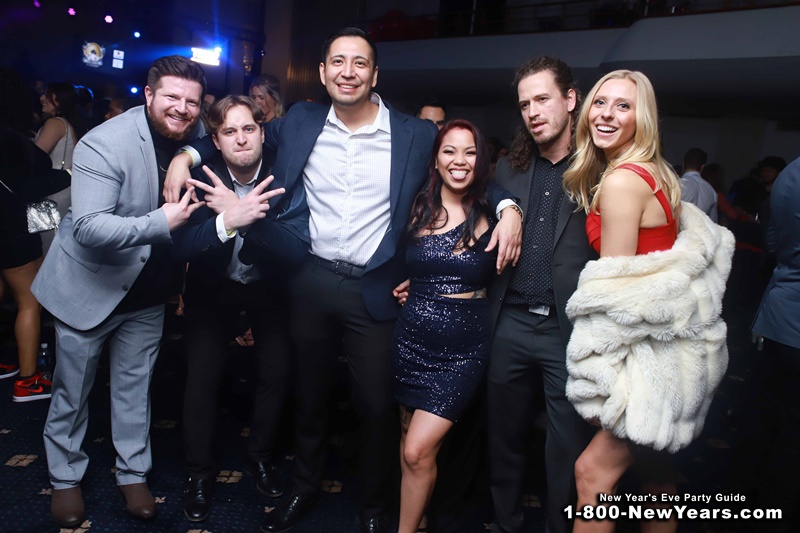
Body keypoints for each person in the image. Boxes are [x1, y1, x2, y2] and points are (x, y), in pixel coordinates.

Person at [165, 27, 521, 533]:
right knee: (308, 396)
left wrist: (508, 207)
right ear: (322, 72)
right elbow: (232, 133)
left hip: (373, 286)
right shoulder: (300, 120)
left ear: (374, 74)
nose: (347, 72)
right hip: (309, 279)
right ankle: (305, 487)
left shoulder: (415, 134)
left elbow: (468, 168)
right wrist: (186, 156)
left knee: (375, 406)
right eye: (337, 62)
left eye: (359, 63)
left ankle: (373, 507)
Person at [30, 55, 208, 528]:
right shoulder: (105, 142)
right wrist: (160, 222)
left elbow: (214, 139)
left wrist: (186, 157)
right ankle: (64, 478)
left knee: (134, 391)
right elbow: (88, 227)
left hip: (147, 294)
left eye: (192, 102)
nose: (182, 108)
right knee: (72, 393)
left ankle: (133, 474)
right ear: (148, 95)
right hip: (90, 288)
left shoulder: (192, 136)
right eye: (171, 97)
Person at [562, 70, 733, 533]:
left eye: (623, 106)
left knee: (591, 474)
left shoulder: (621, 181)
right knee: (657, 479)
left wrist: (597, 376)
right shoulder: (655, 171)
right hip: (677, 351)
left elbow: (617, 294)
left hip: (652, 363)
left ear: (643, 118)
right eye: (601, 103)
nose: (607, 115)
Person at [172, 95, 295, 522]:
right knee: (201, 377)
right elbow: (180, 246)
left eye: (248, 129)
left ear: (263, 133)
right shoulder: (200, 176)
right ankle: (199, 473)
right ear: (216, 141)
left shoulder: (287, 172)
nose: (240, 139)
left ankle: (259, 457)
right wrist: (227, 221)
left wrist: (251, 219)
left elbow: (296, 249)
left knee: (277, 372)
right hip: (213, 287)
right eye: (229, 131)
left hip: (270, 286)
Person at [487, 56, 596, 533]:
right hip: (508, 322)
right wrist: (506, 206)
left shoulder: (599, 169)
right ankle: (505, 522)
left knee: (565, 446)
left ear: (570, 100)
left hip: (565, 330)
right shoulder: (508, 169)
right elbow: (480, 199)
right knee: (503, 437)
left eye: (542, 99)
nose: (532, 112)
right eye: (524, 104)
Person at [393, 119, 497, 533]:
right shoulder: (415, 206)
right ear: (435, 159)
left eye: (470, 152)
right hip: (411, 340)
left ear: (480, 160)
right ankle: (415, 521)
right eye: (449, 150)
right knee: (408, 443)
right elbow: (390, 258)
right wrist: (404, 285)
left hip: (463, 352)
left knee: (417, 450)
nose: (459, 160)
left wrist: (511, 210)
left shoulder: (494, 211)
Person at [736, 156, 800, 532]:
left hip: (777, 315)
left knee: (760, 419)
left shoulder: (791, 173)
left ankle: (742, 507)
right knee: (791, 433)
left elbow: (773, 243)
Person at [0, 67, 71, 398]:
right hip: (12, 229)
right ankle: (28, 380)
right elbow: (28, 187)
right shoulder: (13, 140)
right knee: (29, 301)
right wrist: (67, 176)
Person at [34, 81, 88, 254]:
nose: (42, 98)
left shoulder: (55, 123)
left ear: (58, 99)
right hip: (65, 190)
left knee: (45, 244)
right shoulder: (69, 123)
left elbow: (34, 157)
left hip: (51, 193)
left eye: (46, 94)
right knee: (57, 243)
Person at [680, 148, 717, 222]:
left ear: (683, 163)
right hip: (701, 229)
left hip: (679, 229)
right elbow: (713, 222)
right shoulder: (712, 191)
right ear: (702, 167)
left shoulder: (678, 185)